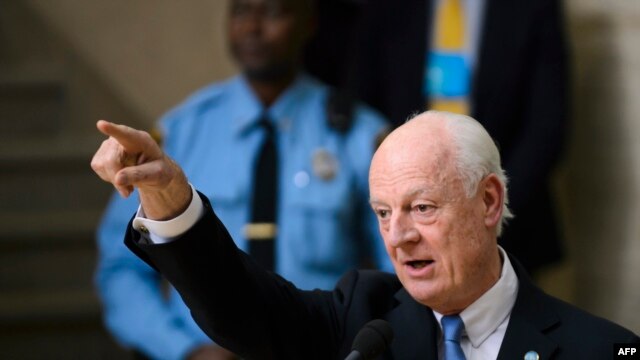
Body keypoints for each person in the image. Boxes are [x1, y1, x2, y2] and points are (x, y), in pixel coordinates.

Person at [91, 111, 639, 359]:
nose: (397, 236)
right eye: (382, 213)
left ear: (489, 201)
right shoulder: (365, 320)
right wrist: (169, 200)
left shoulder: (603, 349)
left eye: (421, 208)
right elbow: (240, 307)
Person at [95, 0, 391, 359]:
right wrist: (185, 350)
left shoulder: (359, 137)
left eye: (272, 12)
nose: (252, 27)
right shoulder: (181, 133)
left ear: (308, 22)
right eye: (241, 11)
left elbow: (400, 269)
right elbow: (120, 271)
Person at [305, 0, 570, 274]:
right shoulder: (385, 8)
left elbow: (546, 129)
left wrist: (483, 212)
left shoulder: (533, 7)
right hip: (400, 228)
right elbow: (365, 107)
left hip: (507, 230)